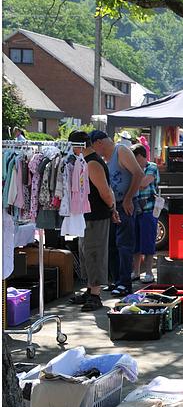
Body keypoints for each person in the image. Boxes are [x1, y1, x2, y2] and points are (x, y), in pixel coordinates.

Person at [90, 130, 144, 297]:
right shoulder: (103, 160)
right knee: (112, 245)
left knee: (124, 245)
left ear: (99, 142)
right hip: (113, 206)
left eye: (93, 146)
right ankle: (115, 280)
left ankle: (125, 283)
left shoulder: (121, 151)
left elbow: (138, 173)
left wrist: (128, 199)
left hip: (125, 205)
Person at [69, 130, 119, 311]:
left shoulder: (93, 163)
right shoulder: (86, 162)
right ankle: (90, 290)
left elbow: (105, 191)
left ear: (78, 146)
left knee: (95, 253)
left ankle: (96, 294)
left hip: (96, 215)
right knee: (85, 253)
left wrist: (111, 207)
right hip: (87, 215)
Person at [131, 144, 159, 284]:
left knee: (148, 244)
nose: (134, 161)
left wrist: (133, 179)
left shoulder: (152, 167)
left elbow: (143, 183)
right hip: (134, 211)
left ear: (142, 156)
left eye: (135, 158)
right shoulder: (132, 168)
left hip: (149, 211)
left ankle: (148, 273)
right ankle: (135, 272)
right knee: (135, 244)